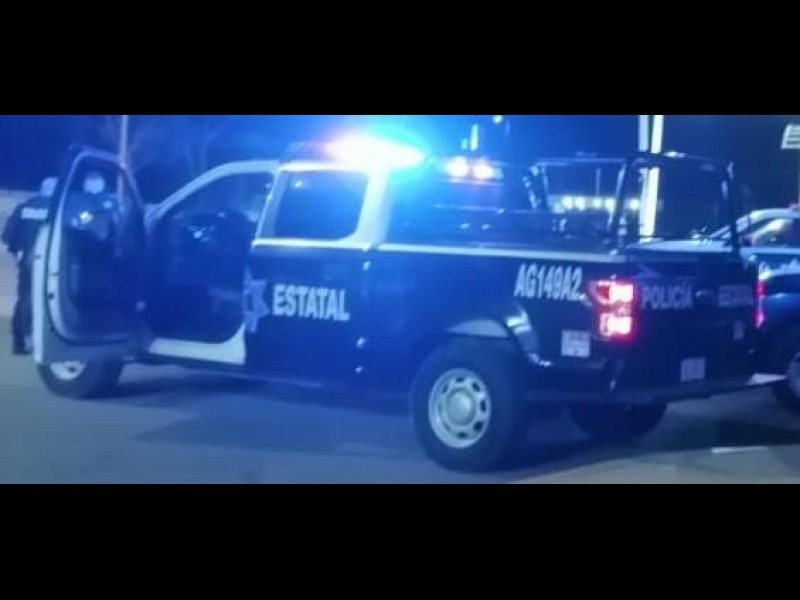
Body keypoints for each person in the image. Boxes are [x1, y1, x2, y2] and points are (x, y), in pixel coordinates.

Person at [2, 177, 57, 354]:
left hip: (27, 259)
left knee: (25, 298)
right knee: (50, 301)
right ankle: (43, 340)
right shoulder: (57, 209)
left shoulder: (24, 207)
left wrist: (18, 253)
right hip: (52, 261)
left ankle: (19, 341)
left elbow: (8, 235)